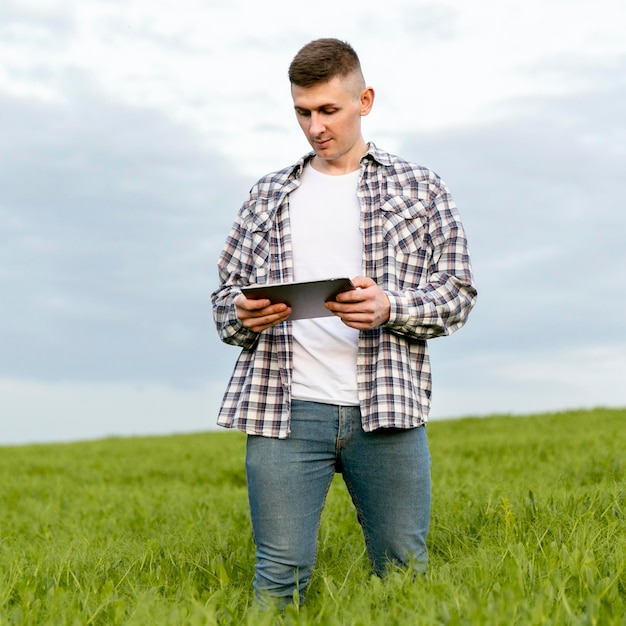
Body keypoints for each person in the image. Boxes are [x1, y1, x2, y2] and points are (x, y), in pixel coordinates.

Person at [211, 38, 477, 608]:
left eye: (328, 110)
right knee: (278, 577)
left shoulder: (421, 187)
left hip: (386, 408)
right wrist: (244, 314)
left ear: (366, 100)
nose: (314, 127)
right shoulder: (267, 195)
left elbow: (457, 295)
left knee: (405, 573)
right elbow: (223, 306)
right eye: (302, 112)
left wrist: (390, 309)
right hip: (285, 410)